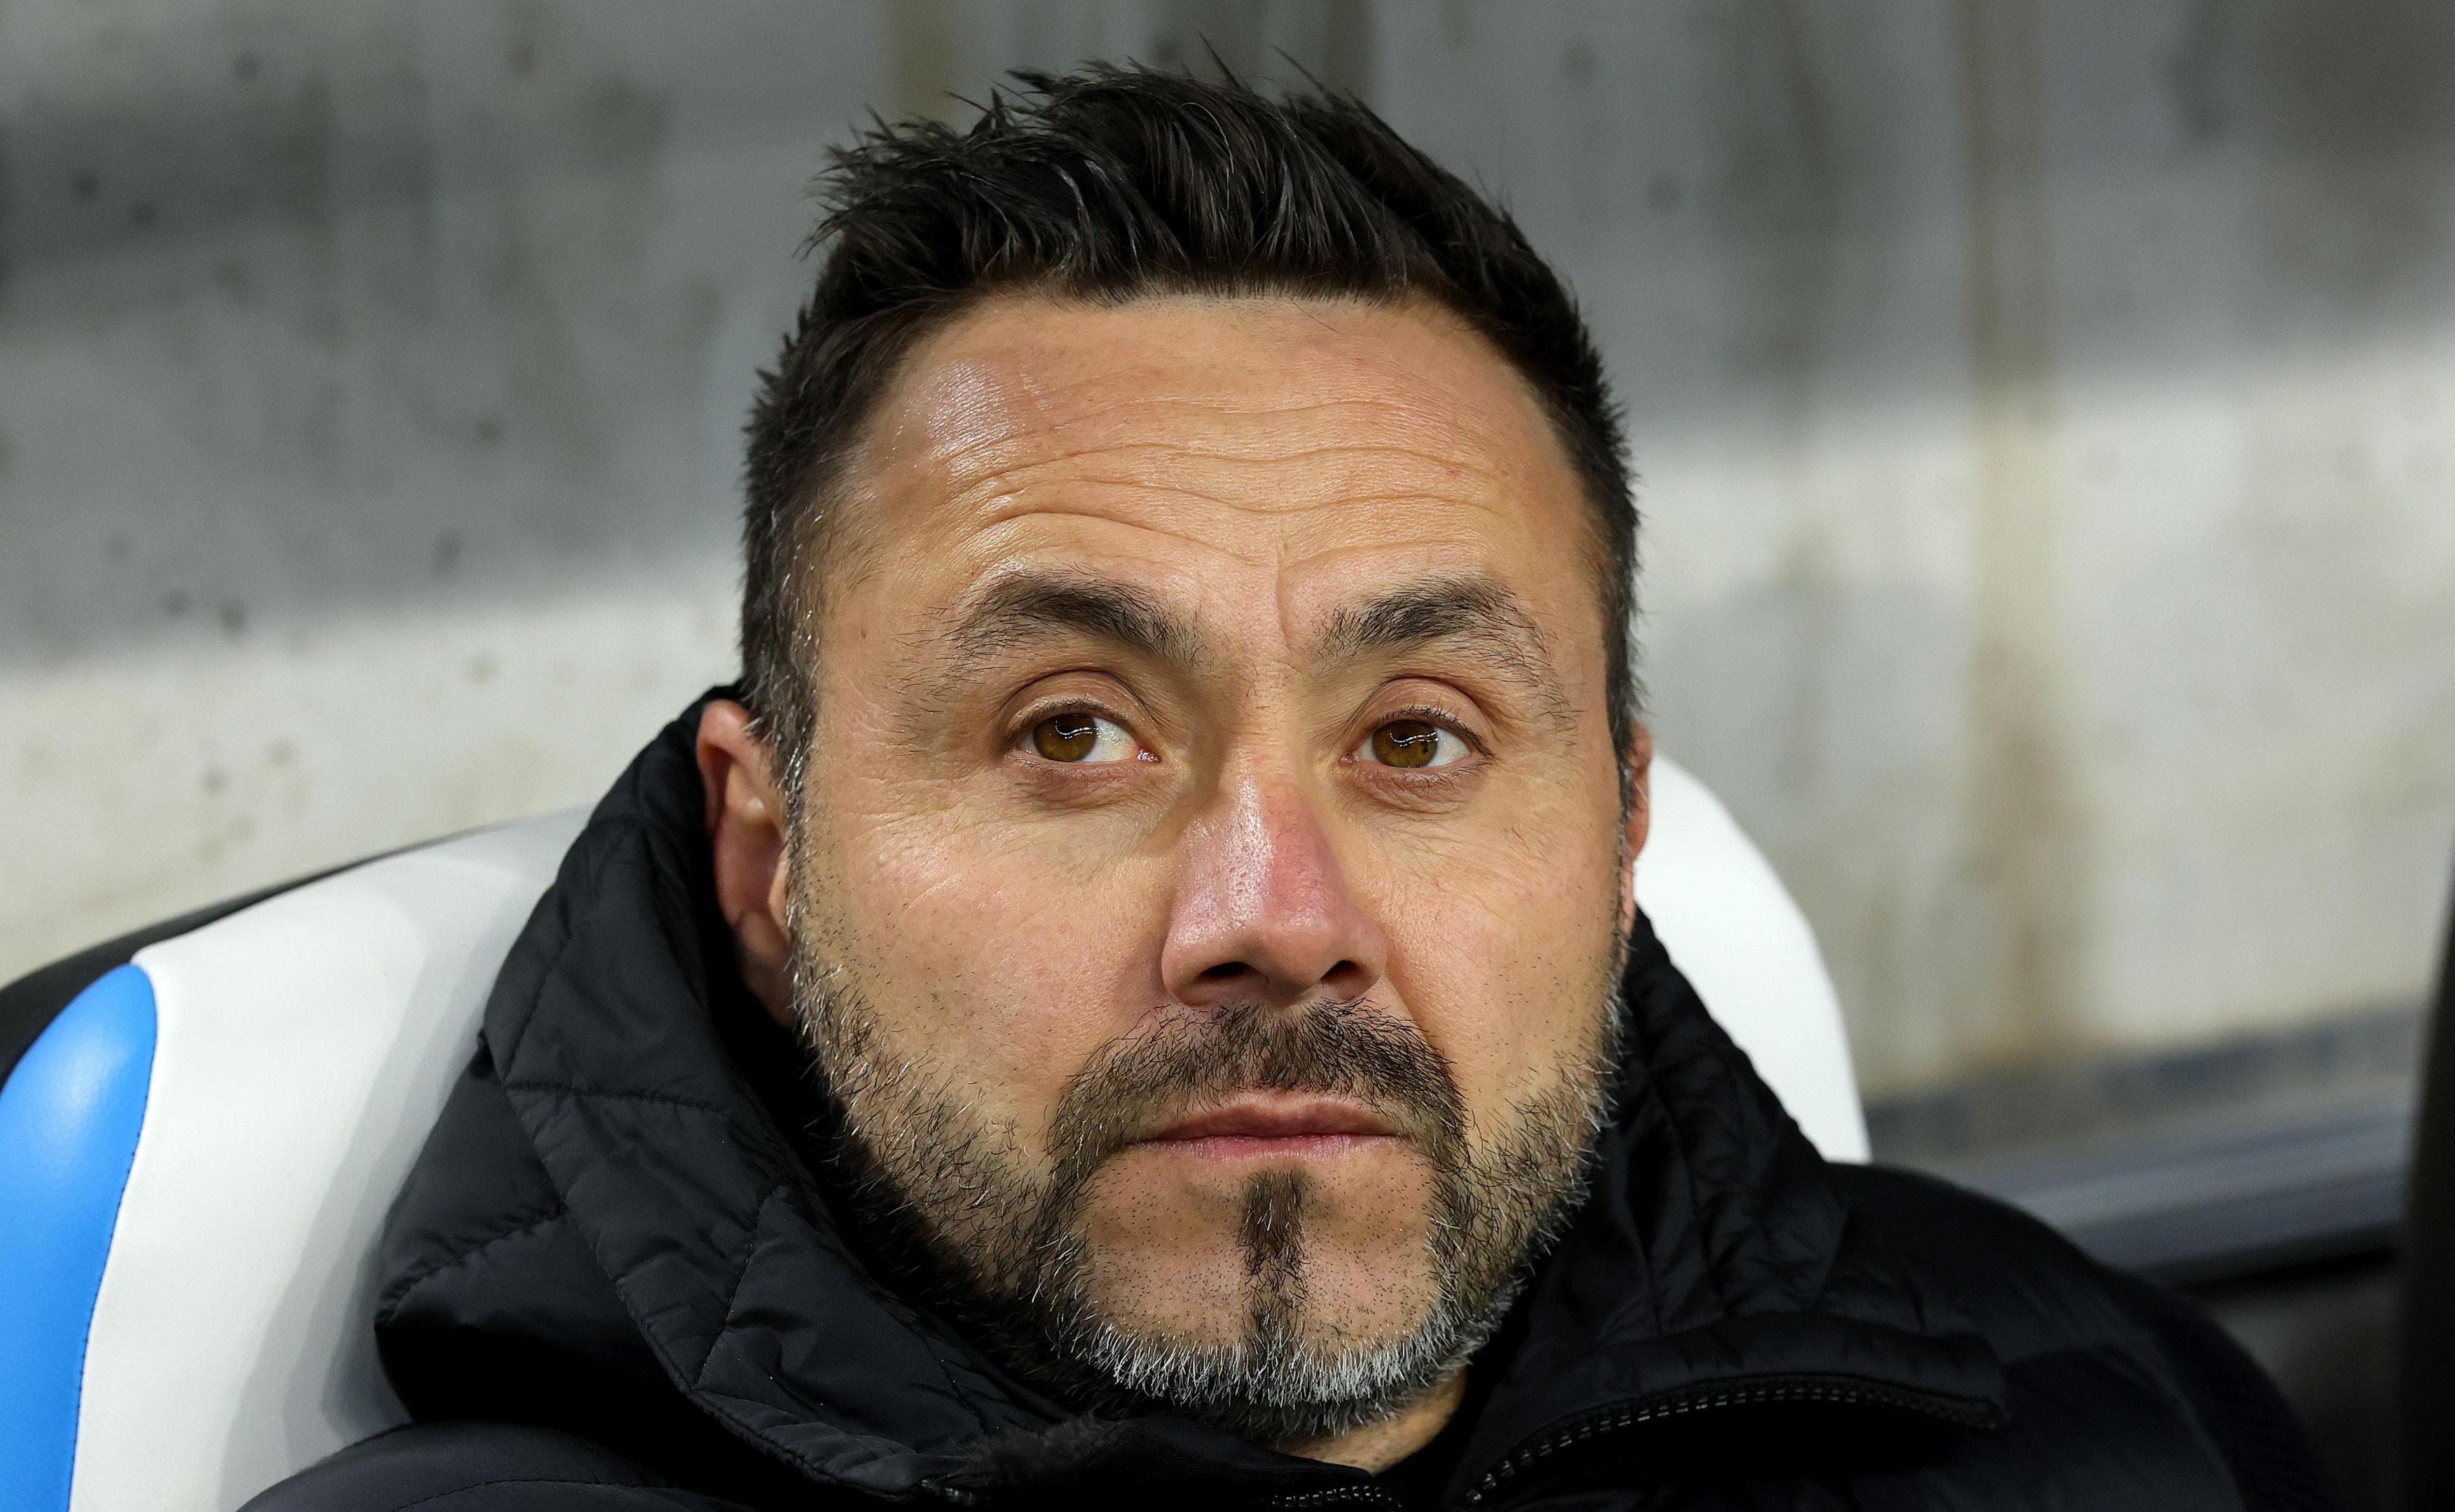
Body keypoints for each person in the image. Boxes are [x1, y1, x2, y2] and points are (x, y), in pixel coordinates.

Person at [251, 67, 2340, 1511]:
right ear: (770, 858)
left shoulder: (2105, 1405)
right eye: (1074, 732)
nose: (1273, 904)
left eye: (1415, 737)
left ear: (1619, 837)